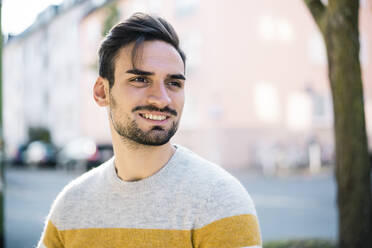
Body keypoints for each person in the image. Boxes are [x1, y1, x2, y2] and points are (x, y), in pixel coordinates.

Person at [37, 12, 262, 248]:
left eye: (174, 83)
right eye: (140, 80)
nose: (162, 99)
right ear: (102, 92)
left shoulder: (219, 200)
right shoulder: (71, 206)